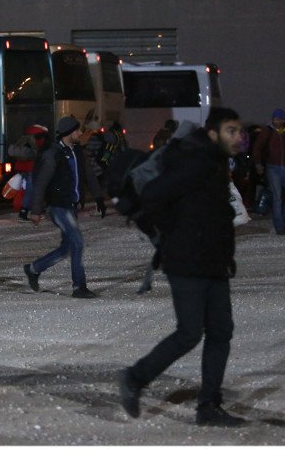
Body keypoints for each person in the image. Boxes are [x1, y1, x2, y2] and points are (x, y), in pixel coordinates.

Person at [118, 107, 246, 426]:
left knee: (221, 331)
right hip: (187, 261)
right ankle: (134, 378)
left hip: (213, 262)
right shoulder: (196, 161)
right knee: (190, 332)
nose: (239, 137)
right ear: (213, 133)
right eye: (231, 130)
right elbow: (153, 196)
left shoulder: (214, 161)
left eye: (239, 130)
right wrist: (176, 235)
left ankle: (209, 406)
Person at [23, 116, 105, 299]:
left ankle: (33, 269)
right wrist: (36, 211)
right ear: (69, 132)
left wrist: (99, 197)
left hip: (71, 206)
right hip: (58, 206)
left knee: (68, 248)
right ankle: (79, 287)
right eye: (77, 131)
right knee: (78, 243)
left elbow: (89, 174)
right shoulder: (54, 154)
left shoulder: (77, 151)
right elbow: (41, 183)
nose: (80, 133)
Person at [252, 108, 285, 235]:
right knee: (277, 198)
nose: (278, 122)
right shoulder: (267, 131)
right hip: (273, 168)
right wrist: (258, 164)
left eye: (280, 119)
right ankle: (280, 226)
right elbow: (257, 148)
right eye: (276, 119)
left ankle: (282, 219)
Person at [9, 123, 49, 222]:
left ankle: (35, 211)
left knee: (28, 191)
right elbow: (40, 153)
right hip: (32, 169)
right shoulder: (38, 137)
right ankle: (24, 213)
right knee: (31, 191)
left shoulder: (26, 136)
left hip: (23, 169)